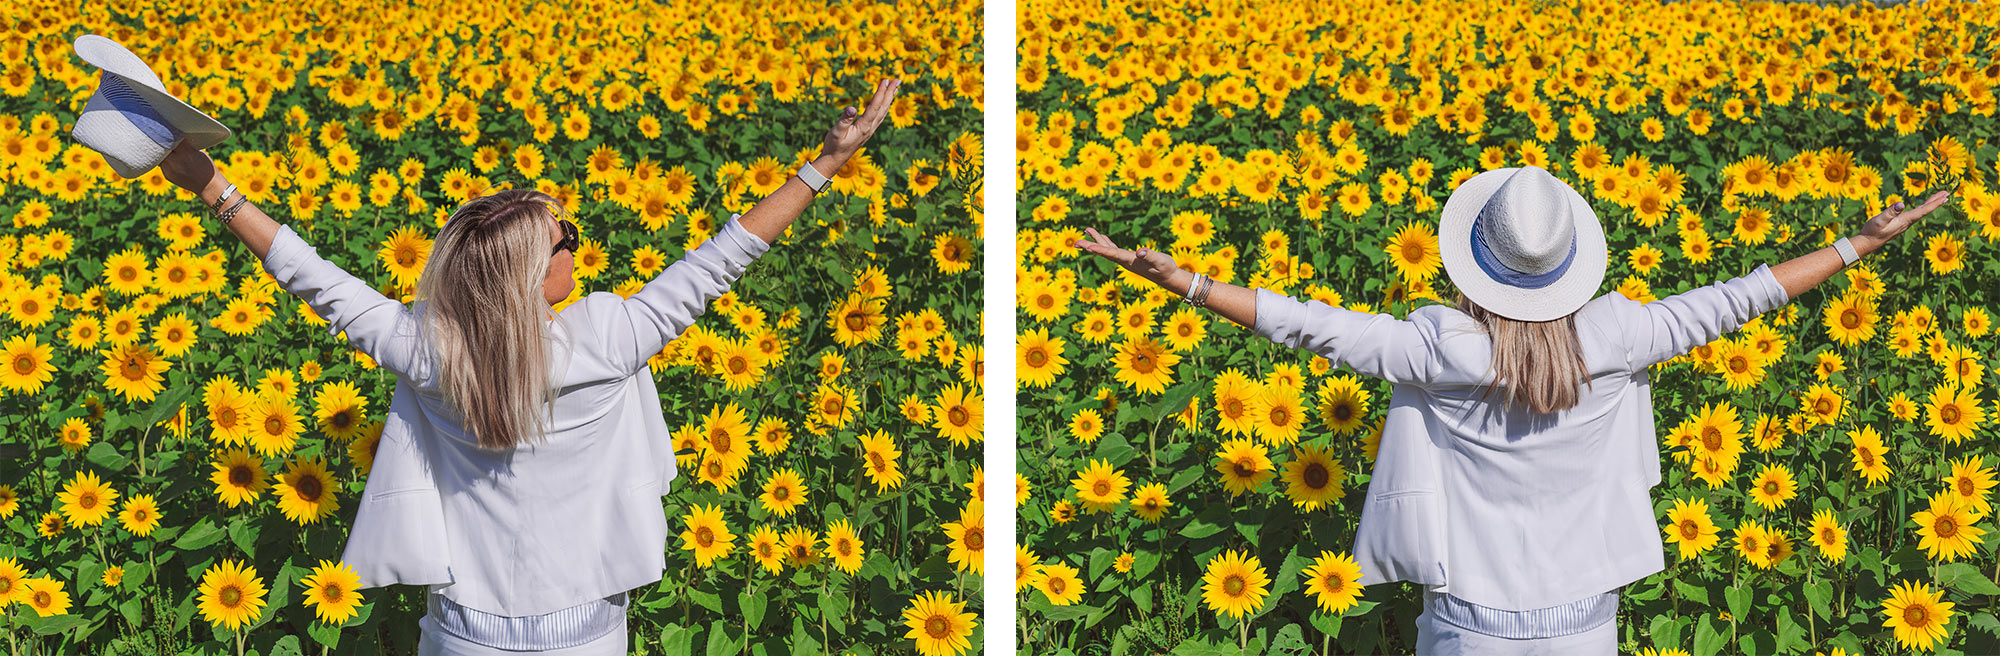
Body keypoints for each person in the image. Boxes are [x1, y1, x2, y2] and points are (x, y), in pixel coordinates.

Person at [1075, 164, 1954, 654]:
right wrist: (1855, 243)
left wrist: (1183, 281)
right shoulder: (1615, 338)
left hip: (1467, 624)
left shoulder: (1440, 348)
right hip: (1584, 622)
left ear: (1477, 264)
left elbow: (1310, 329)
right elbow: (1736, 298)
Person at [158, 78, 901, 655]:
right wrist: (827, 162)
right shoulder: (608, 334)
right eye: (564, 237)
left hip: (462, 630)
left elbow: (318, 281)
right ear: (530, 276)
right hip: (584, 632)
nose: (576, 243)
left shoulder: (429, 352)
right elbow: (723, 258)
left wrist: (209, 184)